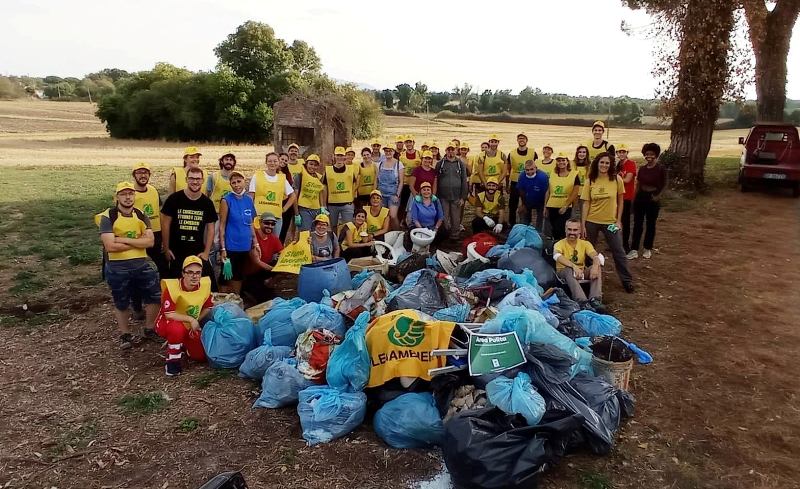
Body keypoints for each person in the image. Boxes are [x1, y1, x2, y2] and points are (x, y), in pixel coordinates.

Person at [98, 182, 161, 349]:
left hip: (141, 264)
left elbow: (150, 241)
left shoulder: (140, 215)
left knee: (154, 296)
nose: (127, 197)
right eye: (123, 194)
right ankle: (125, 334)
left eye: (130, 194)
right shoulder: (108, 216)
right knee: (121, 301)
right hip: (117, 267)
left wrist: (122, 239)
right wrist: (138, 242)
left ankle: (149, 328)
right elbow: (110, 246)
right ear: (117, 197)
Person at [580, 152, 634, 292]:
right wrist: (583, 224)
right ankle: (589, 278)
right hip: (591, 221)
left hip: (610, 222)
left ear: (611, 165)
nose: (604, 165)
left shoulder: (616, 180)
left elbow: (621, 201)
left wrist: (618, 221)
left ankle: (626, 280)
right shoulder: (590, 181)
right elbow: (586, 204)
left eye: (607, 163)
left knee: (618, 251)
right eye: (601, 162)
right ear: (597, 163)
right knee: (589, 252)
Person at [160, 166, 219, 289]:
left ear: (202, 181)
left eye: (198, 179)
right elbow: (165, 225)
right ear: (186, 179)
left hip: (198, 252)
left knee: (208, 288)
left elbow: (211, 229)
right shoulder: (174, 199)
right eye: (192, 178)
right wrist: (166, 248)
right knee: (173, 288)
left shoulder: (207, 203)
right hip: (176, 252)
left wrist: (207, 253)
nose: (195, 182)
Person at [155, 255, 213, 376]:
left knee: (199, 356)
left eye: (198, 272)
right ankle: (172, 361)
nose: (194, 276)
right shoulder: (172, 288)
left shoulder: (205, 285)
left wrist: (196, 320)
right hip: (169, 322)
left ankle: (184, 346)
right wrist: (191, 320)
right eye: (190, 272)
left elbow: (208, 307)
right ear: (183, 273)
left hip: (190, 322)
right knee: (176, 329)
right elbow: (169, 314)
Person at [553, 219, 606, 312]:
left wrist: (595, 265)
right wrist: (574, 266)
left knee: (597, 268)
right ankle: (582, 301)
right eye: (569, 229)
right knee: (568, 270)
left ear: (580, 231)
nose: (572, 232)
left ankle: (595, 299)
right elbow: (557, 256)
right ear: (565, 230)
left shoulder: (585, 244)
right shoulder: (559, 244)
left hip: (581, 272)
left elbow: (595, 255)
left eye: (575, 230)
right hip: (564, 272)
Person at [218, 170, 257, 295]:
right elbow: (222, 225)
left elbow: (250, 222)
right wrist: (223, 248)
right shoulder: (226, 200)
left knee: (239, 274)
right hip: (231, 245)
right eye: (233, 182)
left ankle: (236, 299)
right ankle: (223, 300)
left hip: (244, 245)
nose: (236, 185)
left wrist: (255, 242)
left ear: (244, 182)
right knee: (226, 274)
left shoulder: (249, 200)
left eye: (238, 181)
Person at [630, 143, 667, 260]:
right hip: (641, 197)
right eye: (646, 154)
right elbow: (638, 184)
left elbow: (665, 184)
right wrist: (634, 198)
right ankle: (634, 249)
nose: (649, 156)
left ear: (656, 155)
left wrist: (658, 196)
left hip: (653, 198)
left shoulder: (660, 169)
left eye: (651, 154)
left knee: (651, 224)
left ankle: (647, 248)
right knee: (637, 224)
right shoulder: (642, 169)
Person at [131, 162, 167, 276]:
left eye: (146, 172)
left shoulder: (153, 190)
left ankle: (163, 290)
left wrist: (163, 237)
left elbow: (160, 212)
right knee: (137, 266)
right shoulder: (128, 193)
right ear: (134, 175)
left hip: (155, 233)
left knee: (163, 265)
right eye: (139, 172)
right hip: (138, 235)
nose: (143, 175)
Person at [248, 152, 296, 237]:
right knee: (257, 242)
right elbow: (251, 197)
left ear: (278, 162)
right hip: (259, 216)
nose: (272, 163)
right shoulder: (257, 176)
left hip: (276, 217)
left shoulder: (282, 179)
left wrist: (284, 209)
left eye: (275, 161)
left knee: (273, 242)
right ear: (266, 162)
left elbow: (292, 196)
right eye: (270, 161)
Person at [242, 212, 284, 306]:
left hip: (264, 271)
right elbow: (257, 261)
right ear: (260, 223)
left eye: (272, 224)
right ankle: (247, 291)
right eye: (267, 223)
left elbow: (283, 254)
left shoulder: (274, 239)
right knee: (265, 299)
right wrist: (274, 270)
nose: (270, 226)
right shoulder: (254, 237)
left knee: (282, 265)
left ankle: (270, 283)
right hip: (250, 274)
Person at [544, 152, 581, 241]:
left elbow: (575, 192)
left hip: (565, 208)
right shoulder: (552, 174)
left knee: (562, 228)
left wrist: (566, 206)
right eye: (559, 160)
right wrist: (545, 206)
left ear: (567, 162)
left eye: (563, 160)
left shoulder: (574, 174)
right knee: (553, 229)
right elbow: (548, 191)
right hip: (552, 206)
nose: (561, 162)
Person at [436, 141, 469, 240]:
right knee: (444, 217)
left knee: (455, 217)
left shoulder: (460, 164)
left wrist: (463, 197)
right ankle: (445, 234)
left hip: (456, 196)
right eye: (448, 149)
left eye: (452, 149)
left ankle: (455, 236)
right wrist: (437, 196)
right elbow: (436, 180)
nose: (450, 151)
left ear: (456, 150)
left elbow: (464, 180)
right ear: (446, 151)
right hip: (443, 196)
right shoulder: (440, 163)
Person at [323, 146, 358, 229]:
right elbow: (325, 188)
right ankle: (335, 242)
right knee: (333, 227)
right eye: (337, 155)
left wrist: (352, 198)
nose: (339, 158)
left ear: (345, 156)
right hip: (332, 205)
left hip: (347, 204)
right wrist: (324, 205)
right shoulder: (328, 170)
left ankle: (346, 242)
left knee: (348, 227)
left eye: (341, 155)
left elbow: (354, 184)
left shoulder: (350, 170)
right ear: (334, 156)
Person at [507, 133, 537, 226]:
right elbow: (508, 168)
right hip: (515, 181)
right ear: (517, 140)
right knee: (513, 204)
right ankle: (512, 223)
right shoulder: (511, 153)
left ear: (526, 140)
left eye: (523, 138)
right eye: (519, 138)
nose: (521, 140)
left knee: (527, 203)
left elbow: (536, 168)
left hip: (528, 181)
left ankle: (527, 222)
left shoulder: (533, 153)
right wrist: (508, 183)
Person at [292, 154, 326, 232]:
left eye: (315, 165)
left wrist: (322, 207)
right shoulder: (299, 176)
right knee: (305, 233)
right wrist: (297, 214)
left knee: (315, 233)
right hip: (303, 209)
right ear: (306, 164)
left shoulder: (319, 177)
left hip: (316, 209)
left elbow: (320, 192)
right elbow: (294, 196)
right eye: (311, 164)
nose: (313, 167)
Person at [615, 144, 638, 255]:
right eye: (619, 152)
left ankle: (625, 244)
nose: (621, 154)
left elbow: (628, 179)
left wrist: (614, 178)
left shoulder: (630, 164)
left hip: (627, 197)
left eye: (623, 152)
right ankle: (615, 242)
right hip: (616, 196)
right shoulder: (618, 164)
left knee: (625, 221)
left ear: (627, 153)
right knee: (614, 220)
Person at [376, 142, 404, 230]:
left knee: (392, 215)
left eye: (390, 151)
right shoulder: (380, 164)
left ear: (393, 152)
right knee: (383, 216)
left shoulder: (399, 164)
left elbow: (401, 182)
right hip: (381, 195)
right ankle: (385, 234)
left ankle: (398, 233)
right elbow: (377, 180)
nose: (388, 152)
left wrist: (397, 195)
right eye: (386, 151)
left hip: (393, 195)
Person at [407, 181, 446, 247]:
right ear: (421, 192)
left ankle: (433, 245)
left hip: (432, 227)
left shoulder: (436, 201)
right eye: (424, 190)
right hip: (419, 226)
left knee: (444, 232)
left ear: (431, 191)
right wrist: (422, 230)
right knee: (412, 235)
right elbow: (415, 219)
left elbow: (440, 217)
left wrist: (436, 229)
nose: (426, 192)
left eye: (428, 190)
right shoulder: (416, 201)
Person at [517, 160, 550, 231]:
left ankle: (538, 234)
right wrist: (522, 204)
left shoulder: (543, 177)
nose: (529, 172)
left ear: (536, 168)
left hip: (540, 201)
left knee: (540, 220)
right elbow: (521, 190)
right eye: (527, 170)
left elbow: (547, 192)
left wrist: (545, 206)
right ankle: (524, 233)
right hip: (527, 200)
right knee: (524, 219)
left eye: (532, 169)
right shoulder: (522, 176)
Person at [399, 135, 420, 223]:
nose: (409, 144)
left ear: (413, 143)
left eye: (410, 142)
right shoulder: (401, 155)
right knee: (403, 204)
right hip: (404, 184)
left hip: (415, 184)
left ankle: (414, 221)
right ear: (404, 144)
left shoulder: (419, 154)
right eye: (407, 142)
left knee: (415, 204)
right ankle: (401, 221)